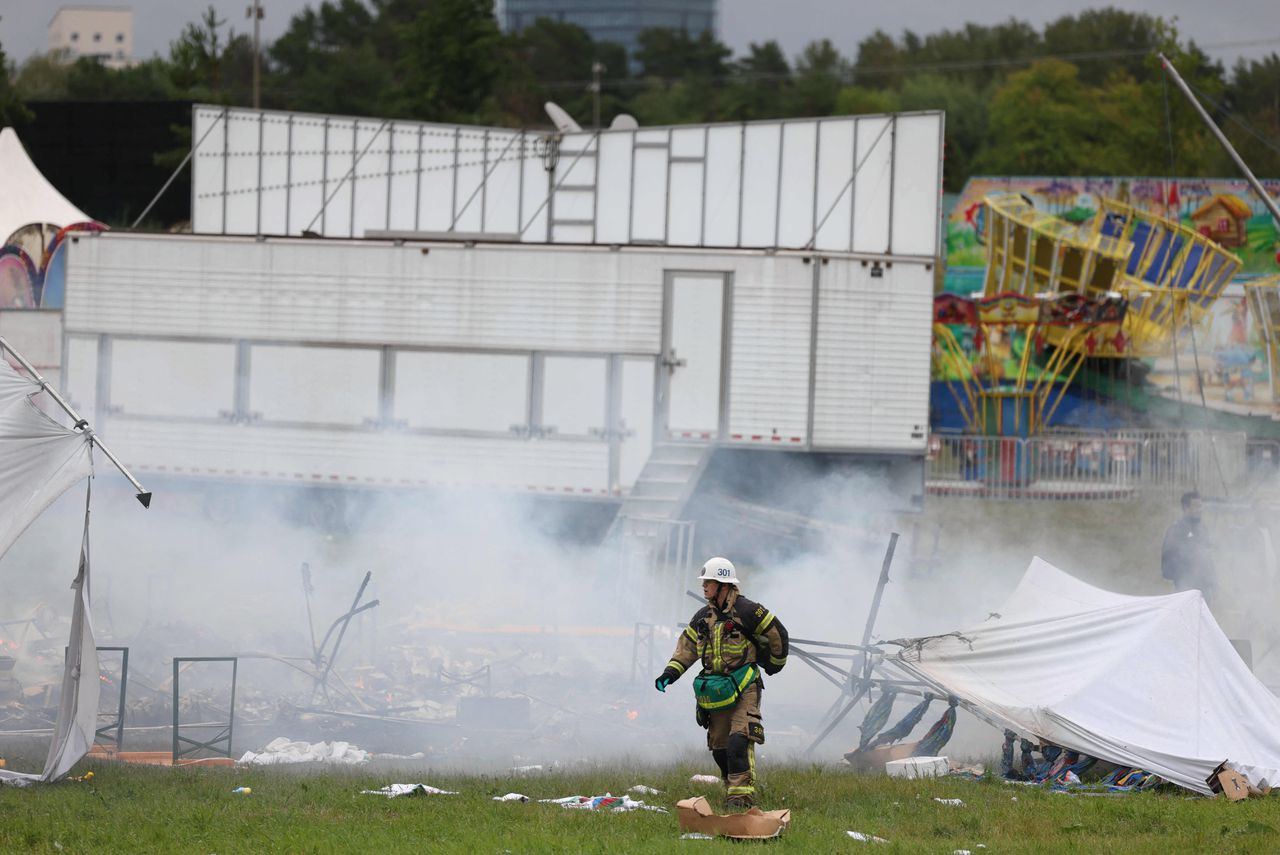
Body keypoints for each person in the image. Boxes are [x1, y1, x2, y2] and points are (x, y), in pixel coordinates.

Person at [654, 557, 788, 809]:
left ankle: (740, 797)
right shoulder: (703, 617)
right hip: (717, 691)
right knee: (719, 747)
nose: (704, 586)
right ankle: (732, 785)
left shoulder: (749, 611)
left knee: (739, 739)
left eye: (709, 582)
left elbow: (778, 633)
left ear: (723, 584)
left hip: (745, 685)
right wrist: (669, 674)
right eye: (704, 582)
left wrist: (774, 664)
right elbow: (687, 648)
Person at [1161, 490, 1216, 603]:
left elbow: (1208, 559)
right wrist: (1184, 580)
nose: (1200, 510)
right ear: (1186, 508)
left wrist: (1213, 584)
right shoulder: (1176, 531)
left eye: (1201, 506)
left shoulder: (1203, 530)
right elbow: (1167, 565)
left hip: (1205, 593)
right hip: (1185, 592)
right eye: (1196, 506)